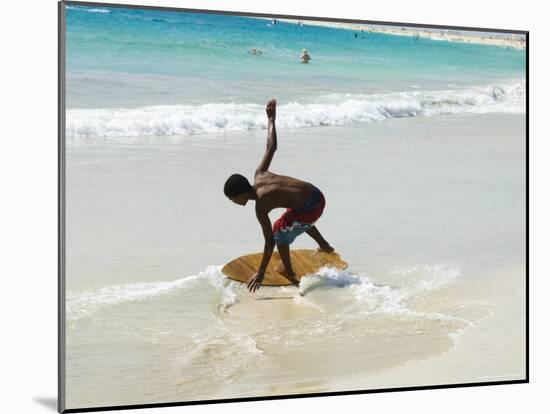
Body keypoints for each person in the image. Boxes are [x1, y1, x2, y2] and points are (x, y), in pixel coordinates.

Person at [224, 99, 334, 292]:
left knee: (279, 231)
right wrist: (271, 119)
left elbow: (270, 242)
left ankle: (288, 270)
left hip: (311, 209)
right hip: (317, 195)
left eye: (233, 199)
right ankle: (325, 246)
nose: (234, 203)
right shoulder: (259, 174)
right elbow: (271, 146)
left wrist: (260, 272)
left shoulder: (260, 207)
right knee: (291, 218)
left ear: (241, 194)